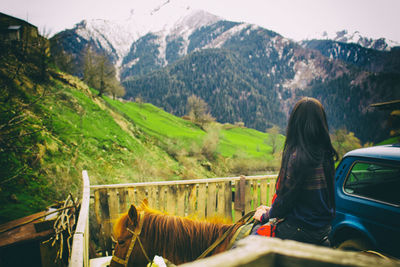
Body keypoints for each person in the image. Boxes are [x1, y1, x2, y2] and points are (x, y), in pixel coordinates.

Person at [253, 97, 338, 246]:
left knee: (251, 238)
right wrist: (272, 210)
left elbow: (285, 200)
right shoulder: (326, 154)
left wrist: (265, 216)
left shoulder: (296, 156)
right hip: (323, 228)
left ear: (295, 123)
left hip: (299, 229)